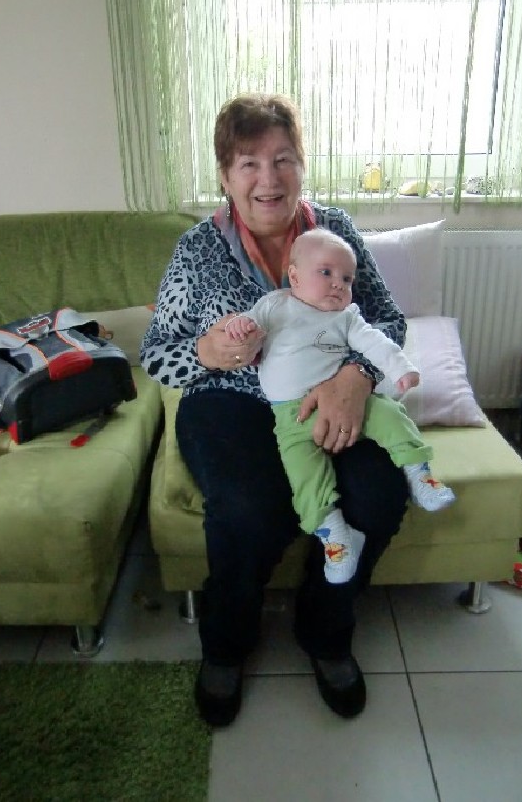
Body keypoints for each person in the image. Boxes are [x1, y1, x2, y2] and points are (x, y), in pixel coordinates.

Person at [142, 93, 411, 728]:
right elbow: (155, 354)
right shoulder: (197, 249)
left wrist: (357, 376)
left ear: (302, 165)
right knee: (247, 509)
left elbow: (389, 321)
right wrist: (206, 352)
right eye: (249, 163)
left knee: (379, 495)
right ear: (225, 175)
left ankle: (325, 630)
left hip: (327, 393)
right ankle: (227, 643)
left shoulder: (335, 231)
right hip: (228, 402)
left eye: (283, 159)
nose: (269, 178)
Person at [224, 227, 455, 584]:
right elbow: (250, 328)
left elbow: (377, 343)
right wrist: (240, 326)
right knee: (304, 477)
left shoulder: (346, 317)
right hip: (290, 417)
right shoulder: (275, 306)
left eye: (347, 278)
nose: (338, 284)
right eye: (326, 273)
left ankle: (419, 474)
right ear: (294, 276)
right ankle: (335, 536)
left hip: (345, 403)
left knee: (390, 414)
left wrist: (401, 368)